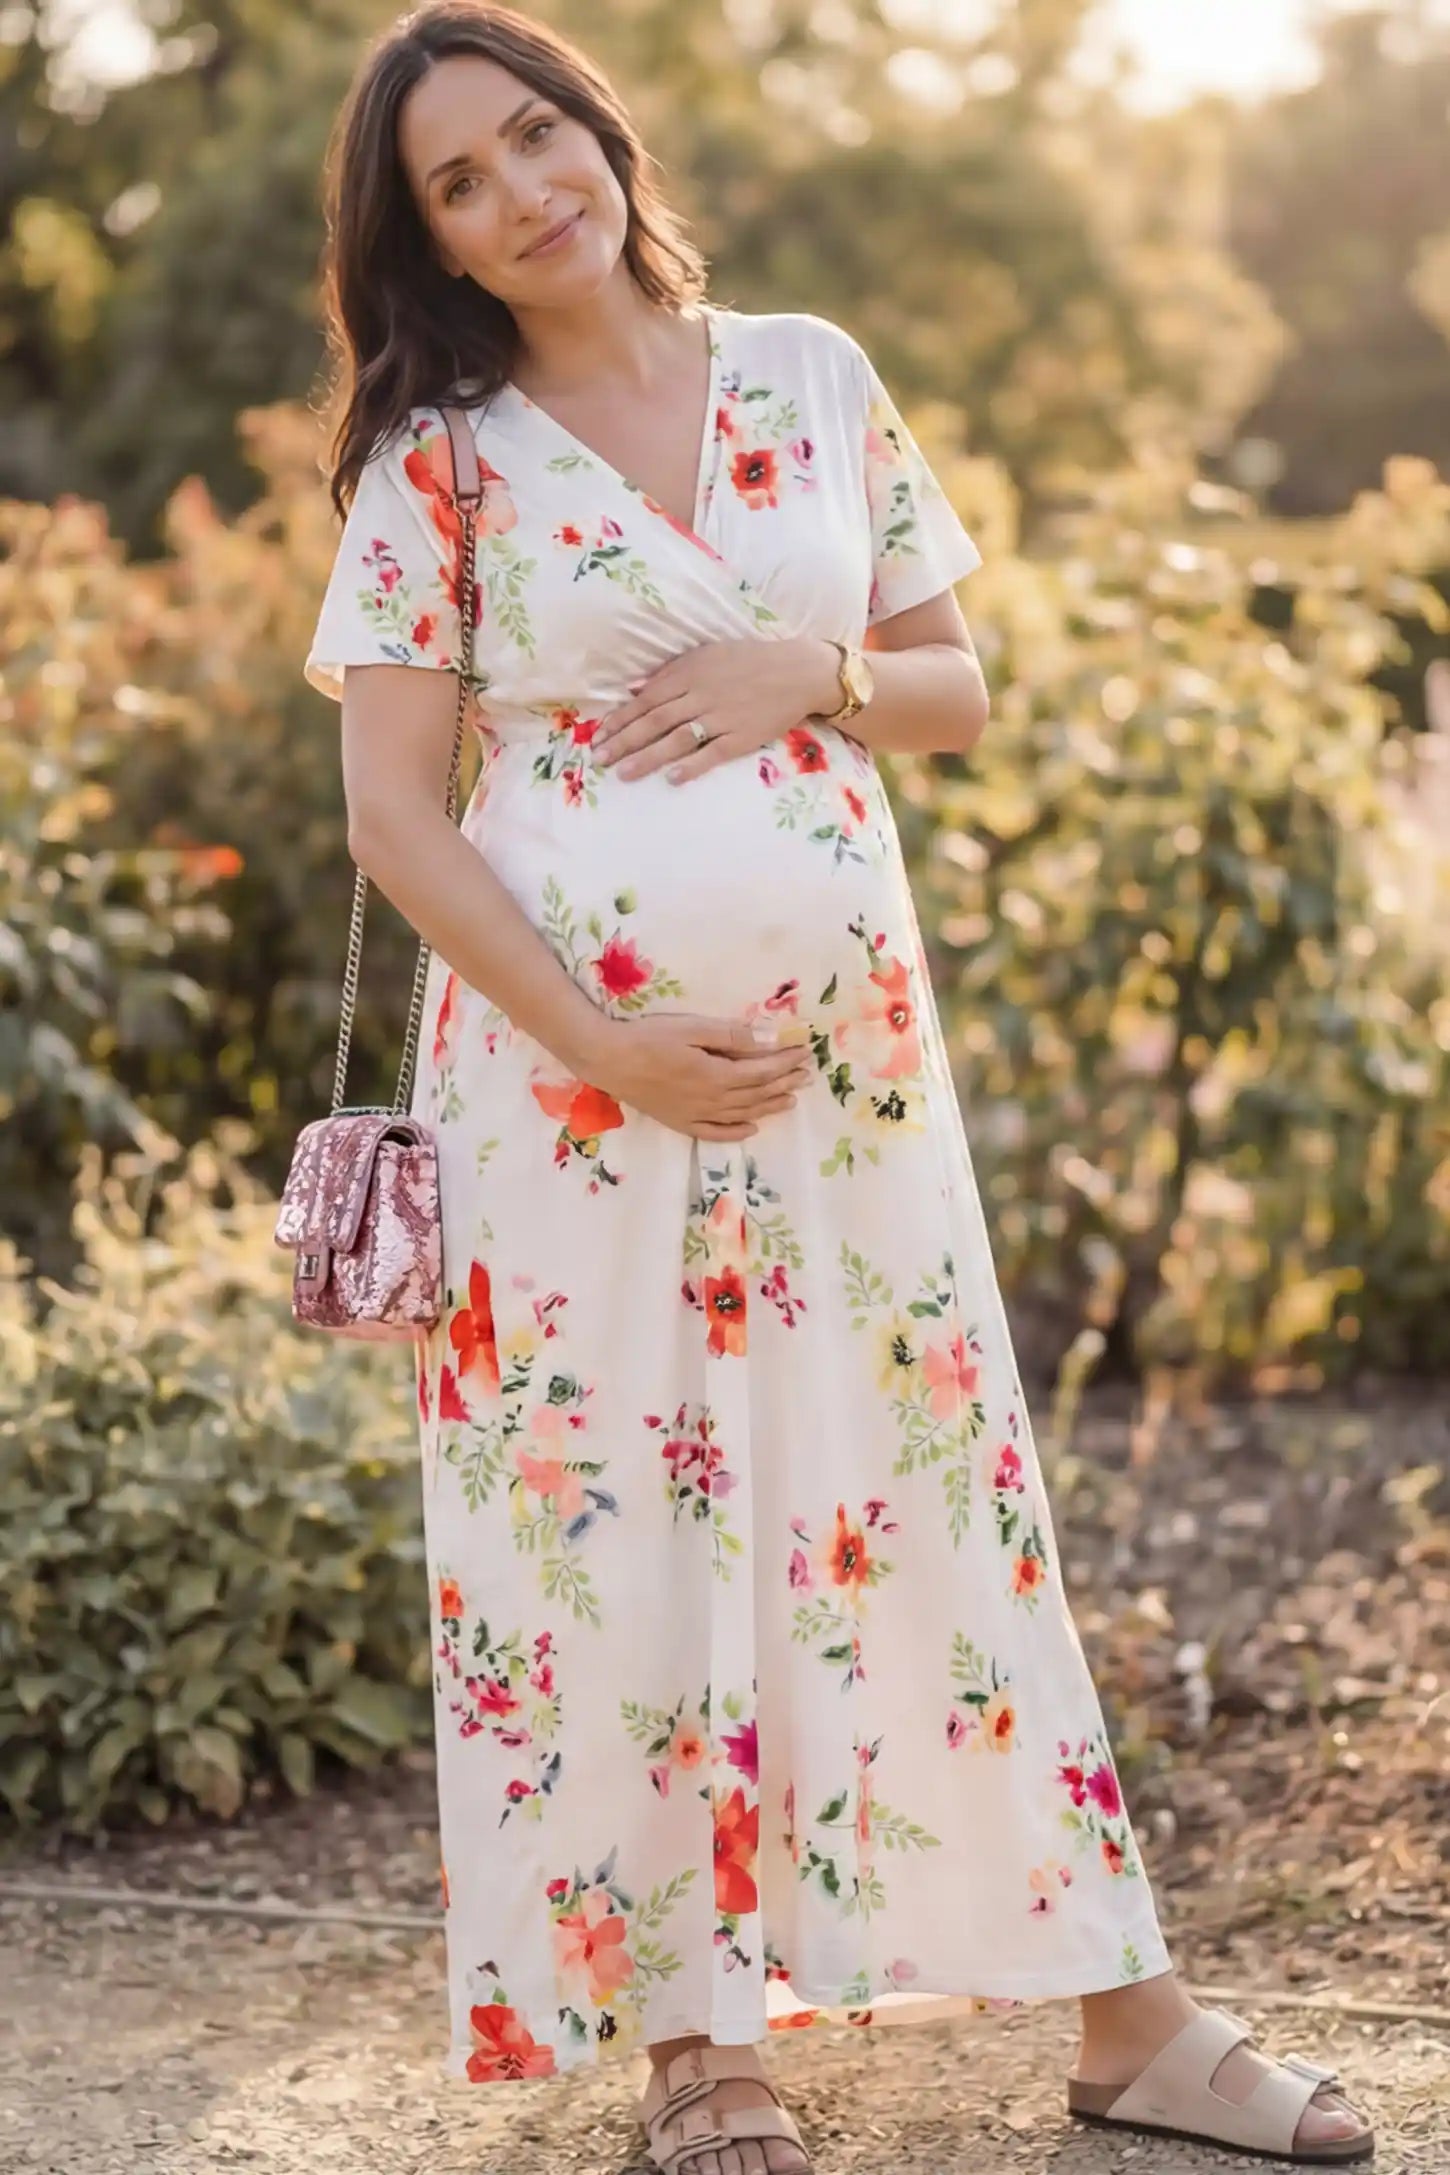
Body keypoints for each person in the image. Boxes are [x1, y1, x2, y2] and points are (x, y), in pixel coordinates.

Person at [302, 5, 1374, 2168]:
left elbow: (954, 689)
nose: (527, 189)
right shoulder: (439, 459)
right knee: (608, 1536)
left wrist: (824, 670)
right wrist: (601, 1036)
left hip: (842, 1081)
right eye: (462, 180)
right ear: (425, 239)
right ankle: (698, 2042)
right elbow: (395, 819)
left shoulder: (812, 372)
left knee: (928, 1489)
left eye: (539, 134)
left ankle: (1123, 2014)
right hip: (567, 1095)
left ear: (600, 132)